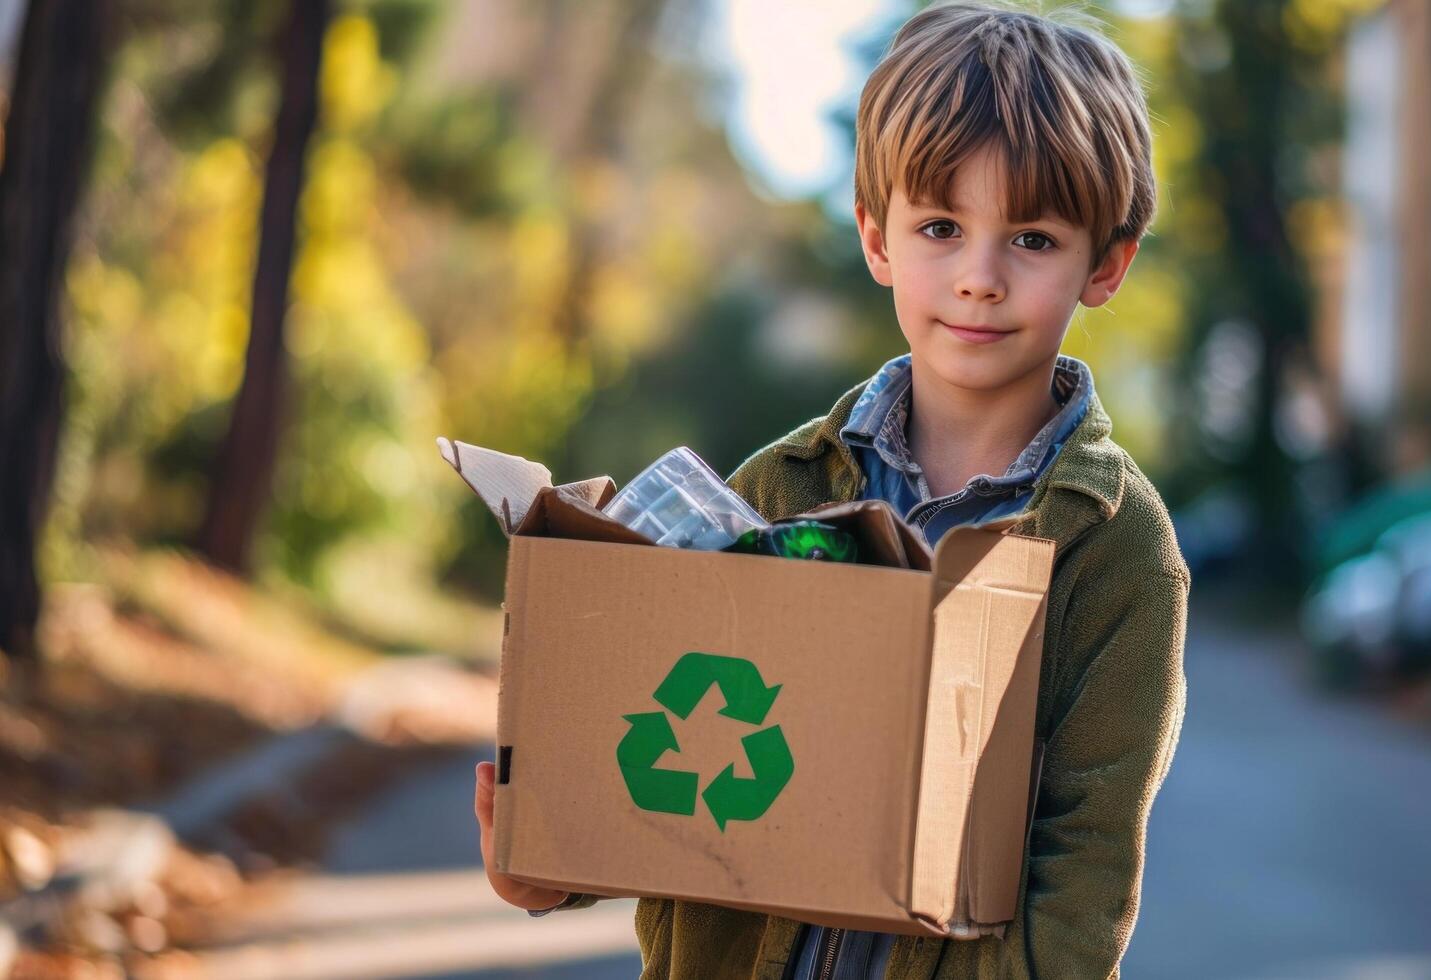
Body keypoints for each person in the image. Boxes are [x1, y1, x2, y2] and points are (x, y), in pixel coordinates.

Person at [473, 1, 1190, 976]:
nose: (979, 277)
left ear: (1104, 263)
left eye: (1031, 238)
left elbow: (1087, 865)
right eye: (941, 225)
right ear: (877, 238)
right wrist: (556, 857)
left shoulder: (1115, 551)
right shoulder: (774, 489)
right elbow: (668, 749)